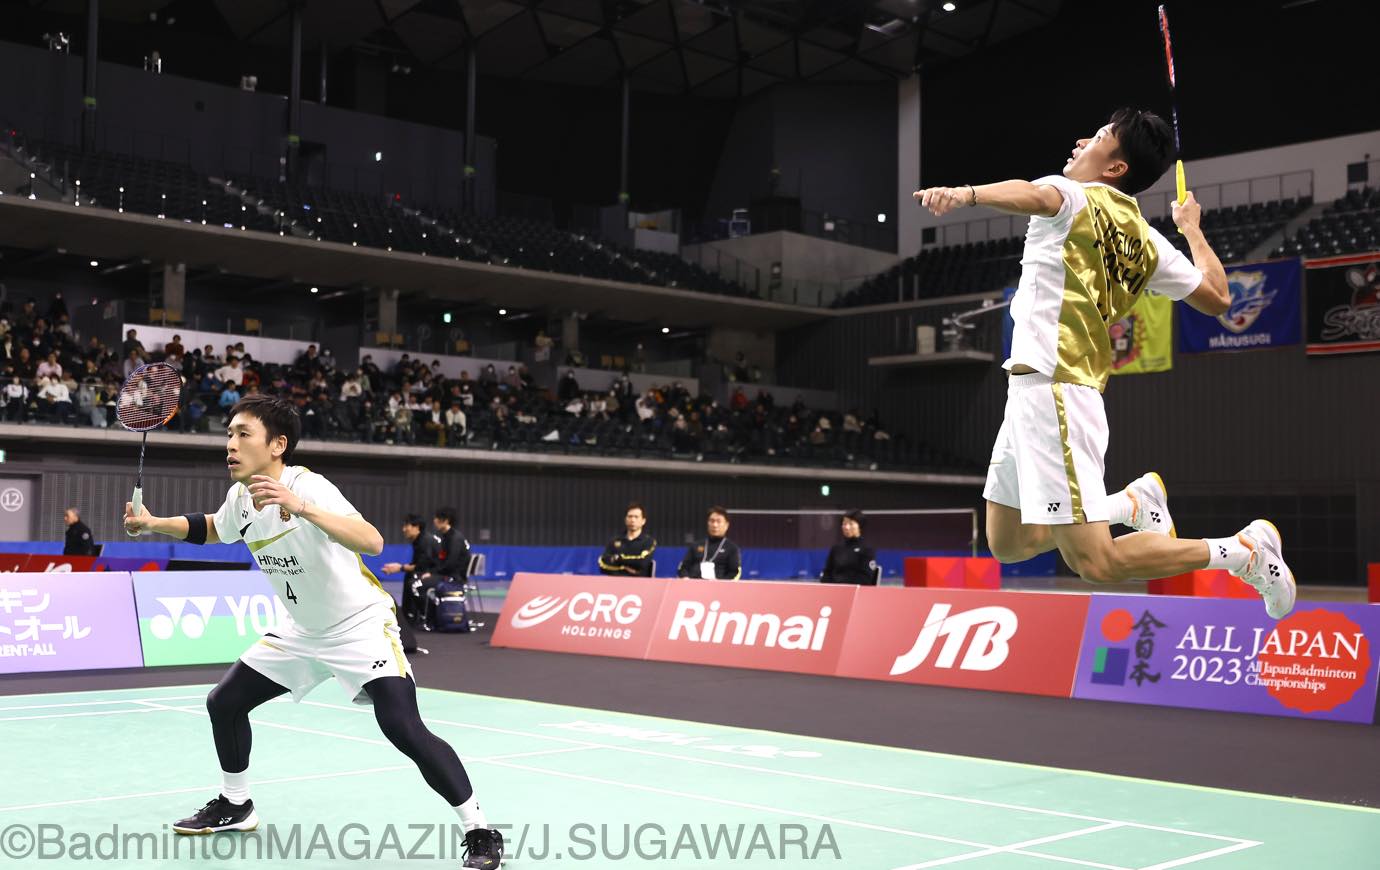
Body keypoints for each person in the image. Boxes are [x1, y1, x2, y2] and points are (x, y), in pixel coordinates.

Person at [915, 108, 1293, 618]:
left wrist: (966, 194)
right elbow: (1218, 297)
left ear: (1115, 168)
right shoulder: (1148, 241)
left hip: (1058, 392)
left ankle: (1242, 551)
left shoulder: (1073, 196)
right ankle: (1128, 505)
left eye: (1097, 138)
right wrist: (1191, 230)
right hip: (1030, 393)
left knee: (1096, 562)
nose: (1080, 142)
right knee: (1009, 542)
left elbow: (1031, 194)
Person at [121, 395, 504, 867]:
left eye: (243, 434)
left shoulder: (309, 486)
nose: (231, 445)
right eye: (229, 434)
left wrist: (300, 507)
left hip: (360, 625)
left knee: (402, 726)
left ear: (278, 445)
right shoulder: (240, 497)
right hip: (302, 631)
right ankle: (236, 804)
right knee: (225, 702)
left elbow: (372, 541)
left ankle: (480, 830)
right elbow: (215, 528)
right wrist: (153, 523)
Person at [381, 513, 435, 654]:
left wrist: (399, 567)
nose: (404, 529)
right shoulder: (418, 541)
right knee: (410, 577)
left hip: (440, 575)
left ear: (417, 527)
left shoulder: (425, 541)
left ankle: (426, 618)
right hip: (430, 572)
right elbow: (418, 565)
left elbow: (423, 566)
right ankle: (409, 615)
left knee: (414, 583)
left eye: (407, 526)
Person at [677, 506, 741, 580]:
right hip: (693, 584)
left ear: (726, 525)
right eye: (712, 521)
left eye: (719, 521)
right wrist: (686, 578)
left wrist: (720, 583)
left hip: (719, 585)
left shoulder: (732, 548)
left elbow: (735, 573)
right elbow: (683, 568)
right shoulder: (695, 545)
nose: (715, 525)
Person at [598, 502, 657, 577]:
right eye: (630, 516)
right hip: (616, 581)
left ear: (643, 521)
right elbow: (603, 564)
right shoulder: (614, 541)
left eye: (636, 517)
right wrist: (624, 568)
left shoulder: (649, 541)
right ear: (625, 519)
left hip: (639, 582)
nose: (632, 520)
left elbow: (642, 563)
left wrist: (618, 558)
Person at [820, 510, 878, 585]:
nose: (847, 527)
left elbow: (865, 578)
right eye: (844, 524)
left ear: (859, 526)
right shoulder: (836, 549)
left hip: (855, 590)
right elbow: (826, 573)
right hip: (834, 590)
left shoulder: (867, 550)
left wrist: (844, 587)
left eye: (851, 524)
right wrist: (833, 587)